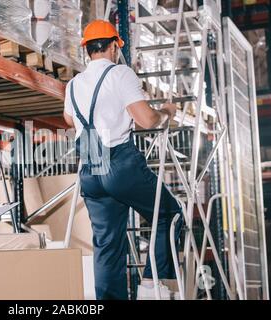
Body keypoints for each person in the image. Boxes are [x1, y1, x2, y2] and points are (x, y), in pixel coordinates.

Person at [63, 20, 183, 300]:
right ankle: (152, 290)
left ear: (87, 50)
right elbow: (146, 119)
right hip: (119, 162)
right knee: (168, 214)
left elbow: (69, 119)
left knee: (107, 245)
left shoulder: (73, 84)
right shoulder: (120, 74)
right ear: (115, 45)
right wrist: (165, 112)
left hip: (91, 166)